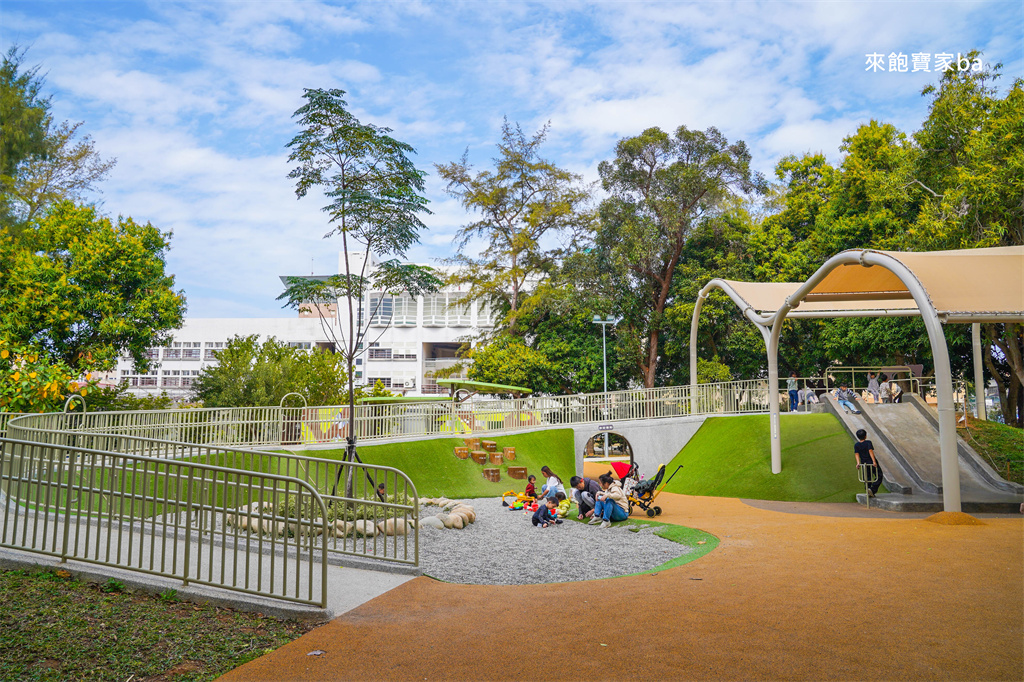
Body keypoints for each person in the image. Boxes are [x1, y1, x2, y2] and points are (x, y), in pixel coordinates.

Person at [854, 428, 884, 497]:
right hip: (871, 462)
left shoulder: (856, 445)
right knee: (879, 475)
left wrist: (858, 463)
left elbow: (856, 454)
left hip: (864, 463)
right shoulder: (868, 442)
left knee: (867, 477)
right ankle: (872, 489)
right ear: (865, 436)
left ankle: (868, 491)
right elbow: (870, 451)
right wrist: (874, 461)